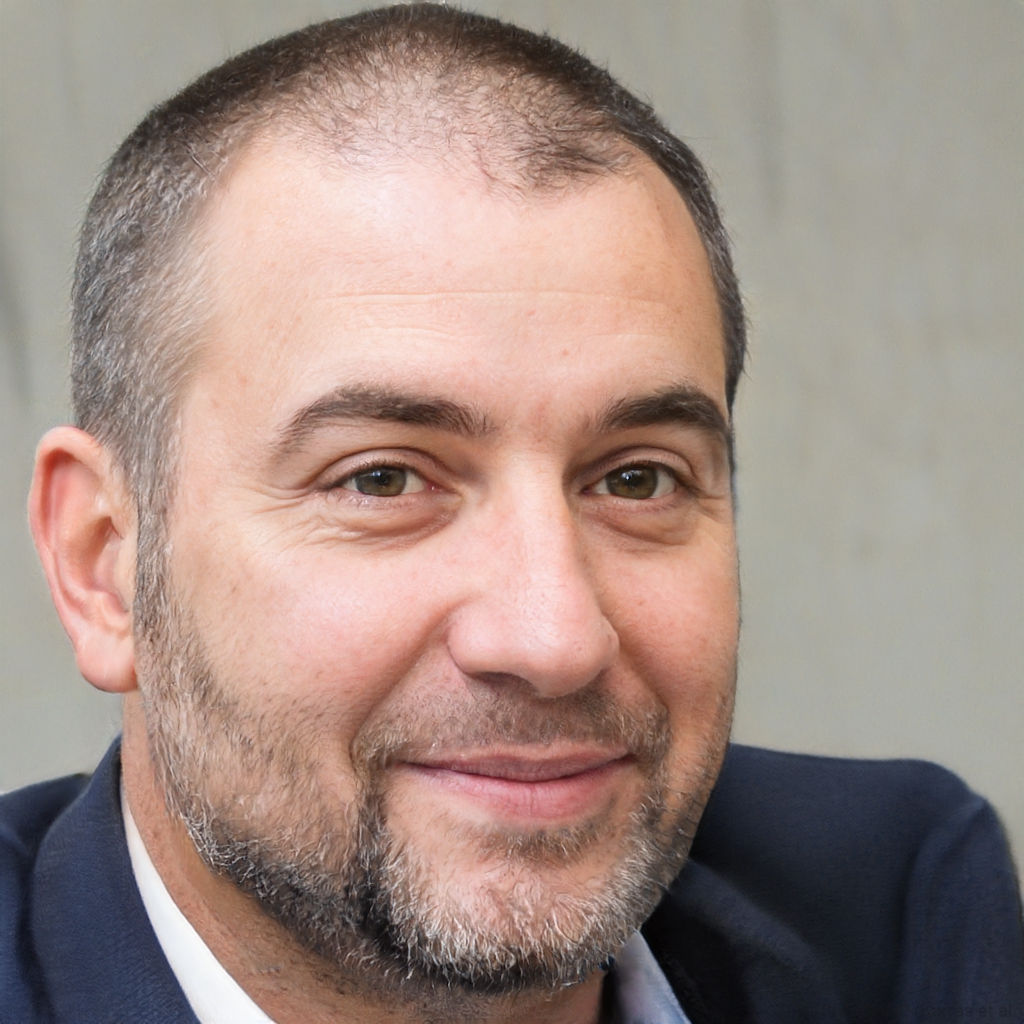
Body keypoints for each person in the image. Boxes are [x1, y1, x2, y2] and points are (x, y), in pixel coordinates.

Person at [2, 5, 1021, 1023]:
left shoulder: (895, 920)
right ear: (104, 563)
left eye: (637, 479)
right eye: (384, 480)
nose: (555, 636)